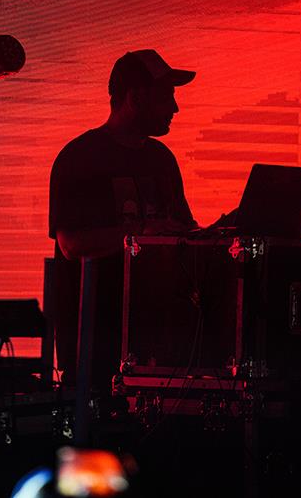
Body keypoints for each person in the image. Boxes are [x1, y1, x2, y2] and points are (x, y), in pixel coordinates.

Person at [49, 49, 197, 389]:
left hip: (157, 351)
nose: (175, 108)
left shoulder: (162, 159)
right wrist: (141, 232)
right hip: (96, 355)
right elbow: (71, 245)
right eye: (167, 96)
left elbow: (181, 232)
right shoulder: (80, 157)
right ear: (136, 98)